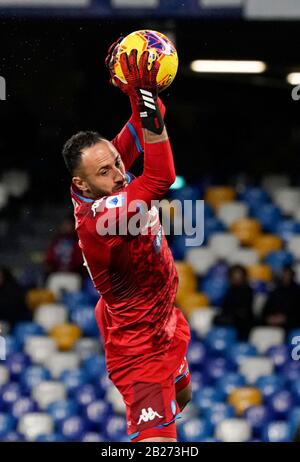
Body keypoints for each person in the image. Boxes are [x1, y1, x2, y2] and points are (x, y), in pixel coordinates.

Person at [62, 46, 191, 442]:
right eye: (107, 170)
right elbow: (160, 177)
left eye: (118, 160)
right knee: (156, 443)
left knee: (183, 397)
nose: (120, 173)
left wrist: (138, 86)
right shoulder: (101, 218)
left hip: (161, 316)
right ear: (82, 184)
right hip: (138, 344)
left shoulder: (105, 174)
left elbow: (149, 121)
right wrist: (145, 99)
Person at [214, 264, 254, 340]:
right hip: (229, 318)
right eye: (234, 275)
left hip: (242, 322)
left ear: (244, 277)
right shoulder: (229, 291)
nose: (236, 278)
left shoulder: (247, 291)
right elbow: (224, 308)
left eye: (238, 275)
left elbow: (245, 310)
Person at [262, 265, 300, 331]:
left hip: (291, 322)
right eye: (284, 274)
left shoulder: (297, 291)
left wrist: (285, 318)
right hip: (273, 321)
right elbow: (266, 308)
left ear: (292, 276)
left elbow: (297, 311)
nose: (286, 277)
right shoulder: (275, 291)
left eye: (288, 275)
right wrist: (270, 318)